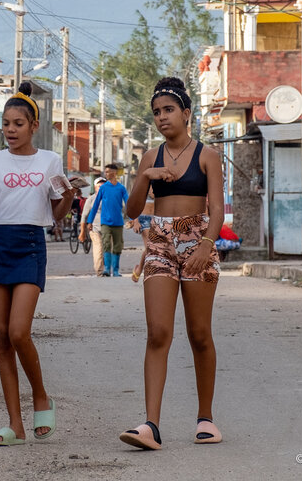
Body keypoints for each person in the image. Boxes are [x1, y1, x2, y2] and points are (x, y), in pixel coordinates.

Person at [0, 81, 74, 446]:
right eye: (6, 124)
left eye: (18, 124)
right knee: (0, 337)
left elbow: (57, 214)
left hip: (30, 245)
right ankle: (15, 423)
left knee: (18, 332)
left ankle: (41, 395)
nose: (10, 130)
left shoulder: (49, 161)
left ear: (33, 126)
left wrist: (70, 195)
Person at [120, 77, 224, 451]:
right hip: (161, 243)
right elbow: (131, 211)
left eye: (168, 110)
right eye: (156, 113)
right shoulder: (151, 157)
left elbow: (217, 210)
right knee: (158, 331)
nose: (162, 118)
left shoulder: (207, 156)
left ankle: (206, 418)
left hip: (199, 241)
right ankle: (151, 425)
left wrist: (206, 245)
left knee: (199, 334)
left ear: (186, 113)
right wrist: (144, 176)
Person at [82, 163, 128, 277]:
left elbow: (128, 204)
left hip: (118, 222)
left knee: (117, 246)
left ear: (115, 173)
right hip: (105, 222)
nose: (106, 174)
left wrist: (133, 219)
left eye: (108, 172)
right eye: (105, 172)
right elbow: (96, 204)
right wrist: (90, 222)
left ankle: (116, 270)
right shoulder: (103, 188)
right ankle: (107, 269)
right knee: (106, 244)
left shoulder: (121, 188)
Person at [83, 177, 106, 275]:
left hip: (108, 227)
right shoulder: (91, 199)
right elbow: (84, 214)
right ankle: (99, 271)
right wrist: (82, 231)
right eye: (99, 186)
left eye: (103, 186)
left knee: (108, 249)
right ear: (95, 187)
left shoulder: (109, 198)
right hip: (94, 228)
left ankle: (107, 269)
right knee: (99, 248)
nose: (101, 188)